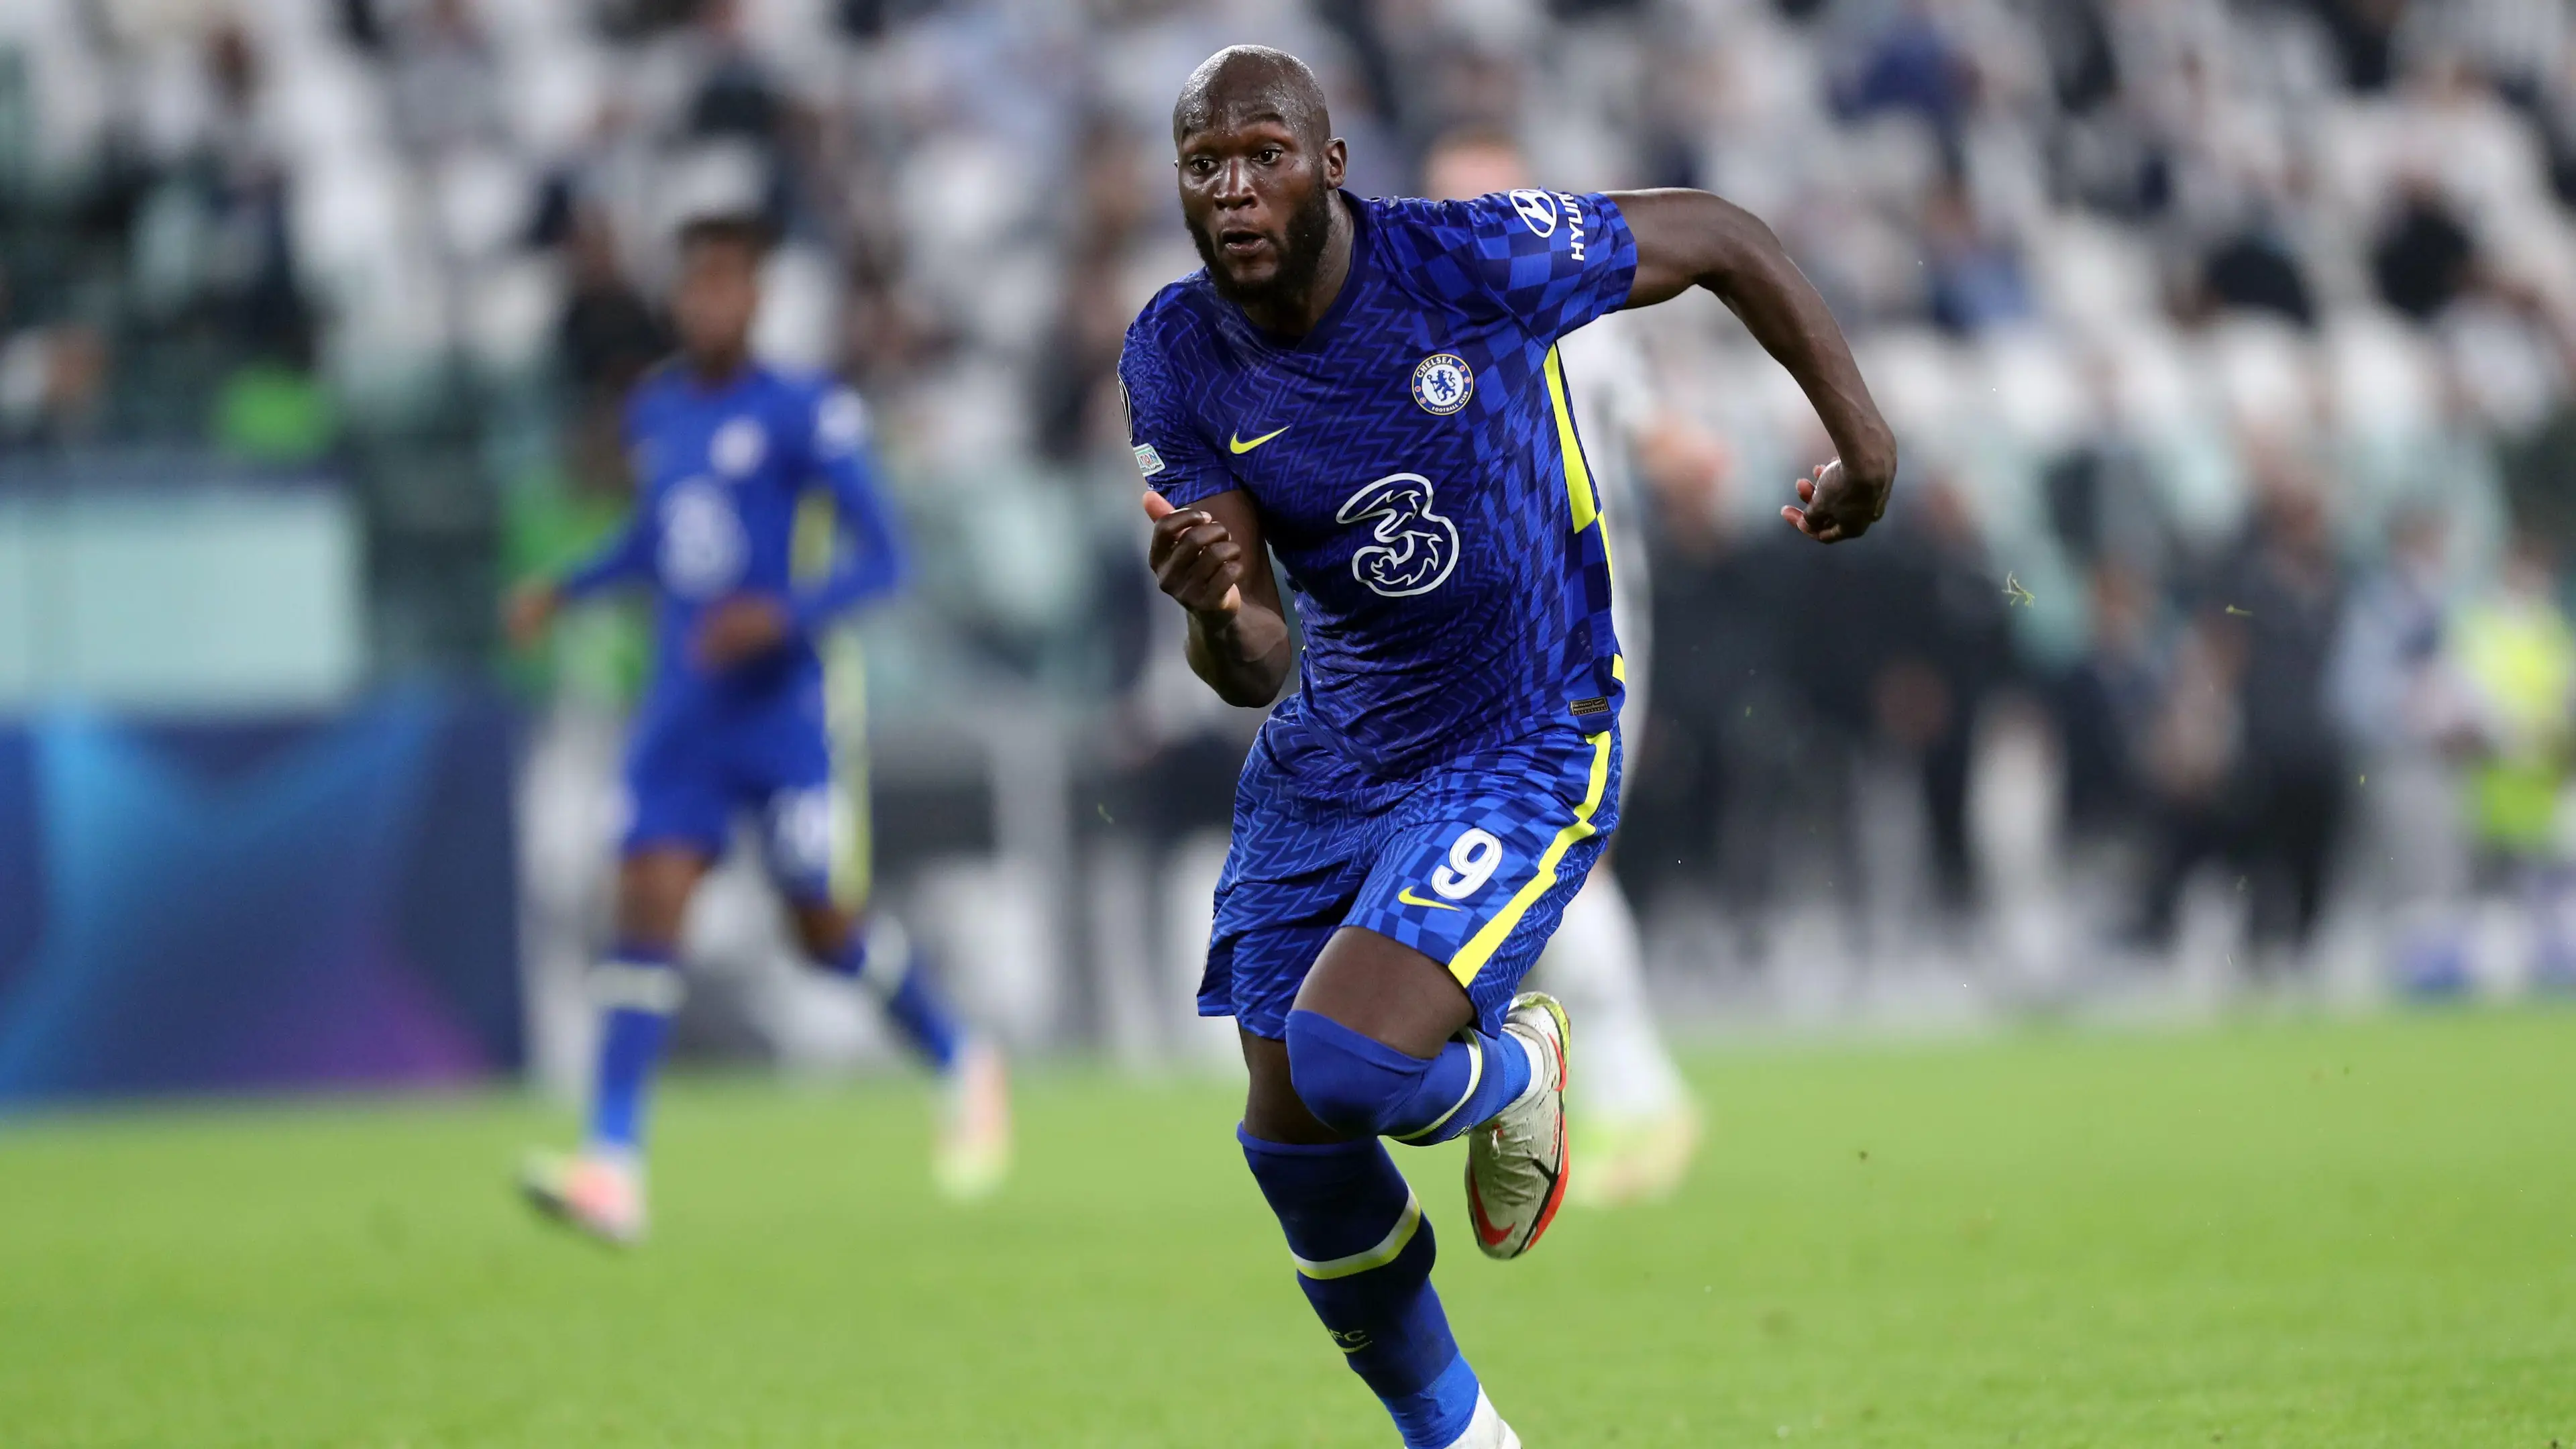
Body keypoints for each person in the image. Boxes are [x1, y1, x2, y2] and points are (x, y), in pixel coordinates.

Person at [1122, 48, 1894, 1449]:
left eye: (1262, 155)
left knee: (1352, 1066)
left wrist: (1867, 449)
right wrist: (1213, 611)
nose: (1233, 190)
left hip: (1526, 731)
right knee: (1292, 1131)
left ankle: (1519, 1075)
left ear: (1332, 163)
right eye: (1203, 166)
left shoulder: (1467, 261)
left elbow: (1721, 237)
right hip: (1335, 746)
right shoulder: (1174, 353)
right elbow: (1254, 666)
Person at [504, 214, 1009, 1245]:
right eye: (695, 288)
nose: (710, 305)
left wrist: (781, 614)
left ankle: (961, 1056)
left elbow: (885, 559)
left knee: (822, 930)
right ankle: (613, 1164)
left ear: (758, 300)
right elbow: (660, 540)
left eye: (729, 287)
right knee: (645, 904)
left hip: (787, 710)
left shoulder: (805, 413)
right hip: (685, 710)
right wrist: (569, 587)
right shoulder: (657, 412)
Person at [1419, 126, 1705, 1207]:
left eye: (1482, 199)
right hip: (1483, 637)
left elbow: (1671, 443)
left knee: (1557, 858)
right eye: (1446, 201)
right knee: (1542, 864)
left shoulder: (1572, 314)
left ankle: (1633, 1096)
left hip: (1583, 627)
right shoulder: (1429, 325)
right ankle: (1611, 1092)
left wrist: (1694, 461)